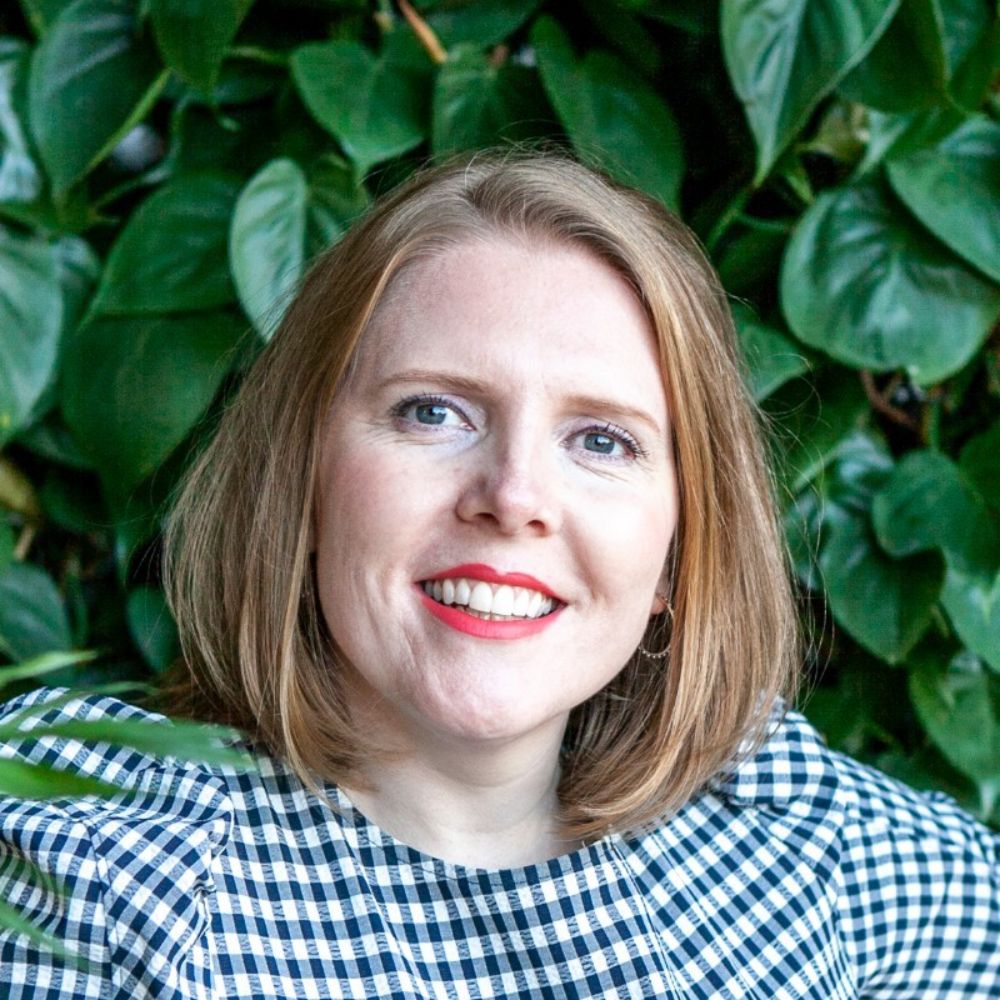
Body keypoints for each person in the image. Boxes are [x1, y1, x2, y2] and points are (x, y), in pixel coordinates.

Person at [0, 153, 996, 999]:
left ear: (678, 555)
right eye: (433, 412)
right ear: (299, 485)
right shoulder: (83, 867)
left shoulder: (812, 848)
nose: (514, 494)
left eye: (601, 439)